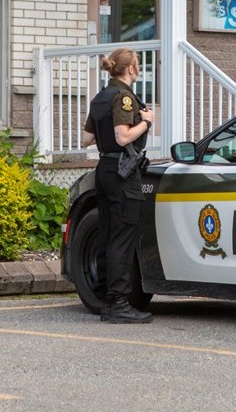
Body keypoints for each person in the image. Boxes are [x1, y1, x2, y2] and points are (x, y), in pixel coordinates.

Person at [81, 47, 155, 324]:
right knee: (123, 238)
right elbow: (123, 137)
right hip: (123, 172)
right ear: (131, 68)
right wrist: (145, 122)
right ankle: (118, 302)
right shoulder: (124, 97)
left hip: (105, 169)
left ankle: (105, 300)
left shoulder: (101, 97)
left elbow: (86, 139)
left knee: (108, 234)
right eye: (136, 64)